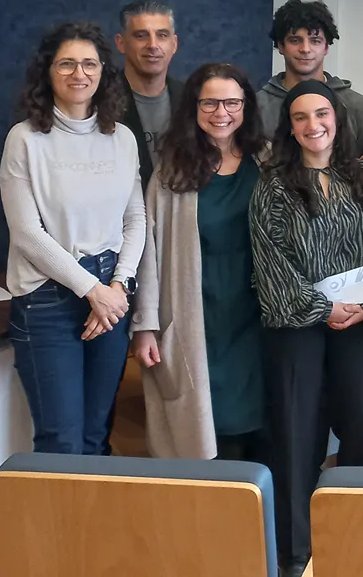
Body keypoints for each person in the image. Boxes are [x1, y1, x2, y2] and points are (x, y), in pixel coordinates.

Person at [249, 80, 363, 577]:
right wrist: (322, 307)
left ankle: (358, 549)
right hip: (297, 329)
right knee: (296, 443)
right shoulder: (273, 183)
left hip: (360, 323)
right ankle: (296, 556)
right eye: (300, 117)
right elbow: (269, 261)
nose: (313, 125)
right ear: (289, 126)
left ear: (338, 119)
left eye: (321, 114)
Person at [0, 21, 144, 455]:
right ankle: (58, 526)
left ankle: (94, 526)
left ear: (103, 72)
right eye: (66, 64)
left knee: (96, 436)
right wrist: (91, 290)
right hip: (48, 298)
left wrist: (119, 286)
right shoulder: (24, 140)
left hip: (110, 291)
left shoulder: (122, 138)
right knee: (60, 441)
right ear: (48, 72)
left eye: (88, 64)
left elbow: (135, 217)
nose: (78, 74)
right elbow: (27, 233)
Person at [129, 63, 271, 462]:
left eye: (231, 102)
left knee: (262, 415)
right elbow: (148, 254)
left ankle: (259, 508)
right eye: (209, 102)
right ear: (193, 106)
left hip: (257, 308)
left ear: (246, 107)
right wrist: (145, 325)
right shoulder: (171, 172)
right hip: (196, 308)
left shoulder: (269, 161)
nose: (220, 112)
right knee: (206, 422)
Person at [256, 0, 363, 153]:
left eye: (315, 41)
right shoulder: (257, 107)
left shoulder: (358, 107)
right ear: (280, 45)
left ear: (326, 47)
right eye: (295, 40)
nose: (305, 49)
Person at [115, 0, 183, 190]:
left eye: (162, 35)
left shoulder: (192, 100)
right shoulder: (97, 100)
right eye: (141, 35)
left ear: (174, 44)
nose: (152, 45)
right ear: (121, 43)